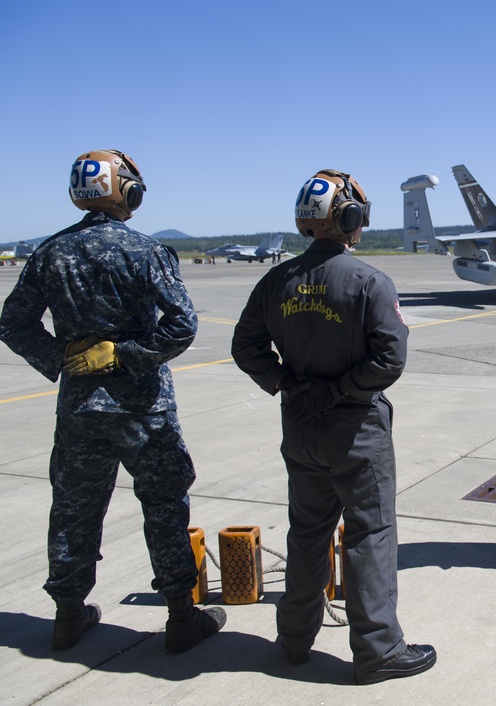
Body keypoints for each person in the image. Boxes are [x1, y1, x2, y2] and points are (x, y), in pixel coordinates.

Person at [0, 150, 226, 651]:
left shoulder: (50, 252)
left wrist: (62, 356)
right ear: (127, 191)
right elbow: (181, 326)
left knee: (74, 508)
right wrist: (124, 355)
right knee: (164, 506)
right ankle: (180, 615)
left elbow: (12, 322)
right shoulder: (147, 251)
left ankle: (67, 613)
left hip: (80, 410)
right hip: (144, 408)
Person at [231, 169, 436, 685]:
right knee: (370, 535)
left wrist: (287, 384)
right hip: (355, 433)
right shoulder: (368, 281)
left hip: (300, 431)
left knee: (307, 534)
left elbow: (245, 347)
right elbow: (389, 360)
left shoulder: (275, 281)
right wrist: (340, 390)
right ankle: (378, 650)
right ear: (349, 219)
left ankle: (294, 639)